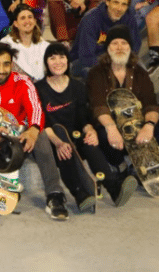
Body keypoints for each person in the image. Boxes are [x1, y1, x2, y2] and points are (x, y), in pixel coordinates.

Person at [0, 43, 68, 226]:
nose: (1, 70)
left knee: (42, 135)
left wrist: (34, 130)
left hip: (16, 136)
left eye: (6, 64)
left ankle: (55, 195)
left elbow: (35, 107)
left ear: (12, 65)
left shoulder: (22, 81)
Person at [34, 42, 137, 211]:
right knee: (64, 146)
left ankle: (114, 188)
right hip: (53, 140)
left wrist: (90, 130)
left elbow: (83, 117)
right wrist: (58, 142)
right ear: (46, 63)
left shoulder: (78, 86)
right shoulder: (39, 88)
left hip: (76, 136)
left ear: (68, 61)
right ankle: (80, 193)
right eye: (52, 58)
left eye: (62, 57)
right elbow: (42, 122)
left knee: (89, 142)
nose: (58, 62)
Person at [87, 26, 159, 178]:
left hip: (137, 130)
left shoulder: (139, 73)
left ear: (130, 47)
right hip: (113, 132)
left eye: (124, 43)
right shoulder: (97, 73)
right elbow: (98, 106)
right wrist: (111, 128)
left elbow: (151, 104)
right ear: (108, 47)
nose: (120, 47)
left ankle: (142, 165)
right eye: (115, 43)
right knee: (102, 134)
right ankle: (121, 166)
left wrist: (149, 126)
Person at [70, 0, 140, 78]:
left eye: (124, 4)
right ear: (107, 1)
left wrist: (124, 63)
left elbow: (135, 46)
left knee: (140, 70)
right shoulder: (90, 20)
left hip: (117, 59)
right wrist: (113, 67)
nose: (119, 8)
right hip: (84, 61)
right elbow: (86, 57)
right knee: (96, 74)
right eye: (116, 2)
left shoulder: (129, 18)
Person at [0, 4, 50, 82]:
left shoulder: (45, 45)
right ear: (16, 24)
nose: (27, 21)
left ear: (34, 21)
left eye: (30, 17)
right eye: (23, 18)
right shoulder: (6, 44)